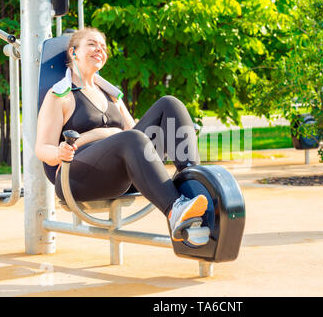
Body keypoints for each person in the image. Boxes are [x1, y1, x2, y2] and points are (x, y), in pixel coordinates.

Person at [35, 27, 207, 242]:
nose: (100, 49)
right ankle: (175, 211)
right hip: (76, 177)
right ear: (73, 52)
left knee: (169, 104)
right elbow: (42, 148)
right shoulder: (60, 94)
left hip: (120, 170)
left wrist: (166, 136)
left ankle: (197, 184)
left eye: (103, 47)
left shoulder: (111, 95)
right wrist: (68, 148)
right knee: (131, 138)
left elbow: (133, 132)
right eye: (91, 44)